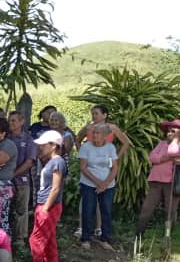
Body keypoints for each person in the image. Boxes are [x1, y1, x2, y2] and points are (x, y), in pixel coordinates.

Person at [75, 104, 132, 238]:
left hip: (105, 165)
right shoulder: (88, 127)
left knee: (103, 200)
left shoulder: (112, 128)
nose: (94, 116)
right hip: (89, 166)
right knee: (86, 199)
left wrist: (115, 158)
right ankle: (81, 227)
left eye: (96, 113)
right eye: (92, 113)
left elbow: (126, 143)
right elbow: (77, 140)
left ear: (105, 115)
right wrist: (82, 155)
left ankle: (99, 228)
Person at [23, 131, 66, 262]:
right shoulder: (50, 161)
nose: (40, 147)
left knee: (36, 239)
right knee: (49, 241)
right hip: (45, 204)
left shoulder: (57, 162)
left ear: (54, 146)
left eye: (44, 144)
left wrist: (46, 208)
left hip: (49, 206)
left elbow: (55, 188)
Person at [78, 124, 119, 251]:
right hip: (89, 183)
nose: (95, 135)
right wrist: (98, 182)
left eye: (98, 133)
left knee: (106, 210)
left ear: (106, 136)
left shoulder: (110, 148)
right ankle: (86, 238)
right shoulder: (86, 147)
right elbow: (83, 167)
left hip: (107, 185)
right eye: (94, 132)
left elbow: (114, 168)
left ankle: (105, 239)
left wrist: (105, 183)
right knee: (88, 210)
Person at [136, 120, 180, 238]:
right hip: (156, 181)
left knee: (170, 211)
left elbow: (172, 151)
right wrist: (166, 158)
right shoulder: (161, 144)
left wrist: (176, 141)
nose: (169, 133)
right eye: (168, 131)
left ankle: (167, 239)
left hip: (172, 183)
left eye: (173, 131)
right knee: (147, 208)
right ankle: (138, 236)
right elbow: (152, 157)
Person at [8, 111, 37, 244]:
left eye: (14, 120)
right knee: (7, 208)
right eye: (10, 120)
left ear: (21, 122)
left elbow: (30, 162)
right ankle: (6, 236)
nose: (11, 123)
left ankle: (20, 238)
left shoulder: (28, 140)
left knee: (21, 209)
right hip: (5, 180)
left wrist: (13, 174)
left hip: (21, 180)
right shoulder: (5, 138)